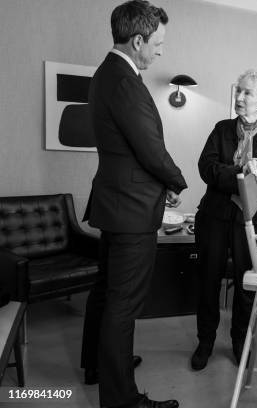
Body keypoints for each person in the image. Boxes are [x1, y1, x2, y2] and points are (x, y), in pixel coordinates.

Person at [80, 1, 187, 407]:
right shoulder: (125, 82)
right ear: (138, 39)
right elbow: (150, 149)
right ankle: (121, 399)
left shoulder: (105, 74)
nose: (160, 51)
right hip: (131, 210)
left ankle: (98, 364)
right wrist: (176, 182)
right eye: (157, 43)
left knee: (107, 293)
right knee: (122, 306)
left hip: (114, 203)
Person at [191, 69, 257, 370]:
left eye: (247, 92)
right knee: (208, 281)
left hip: (251, 222)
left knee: (246, 285)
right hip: (214, 217)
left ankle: (239, 342)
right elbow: (205, 168)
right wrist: (240, 173)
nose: (239, 97)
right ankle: (205, 342)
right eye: (239, 91)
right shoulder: (221, 129)